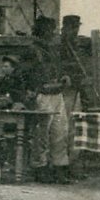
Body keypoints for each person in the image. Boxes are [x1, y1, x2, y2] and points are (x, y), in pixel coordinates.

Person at [26, 16, 70, 184]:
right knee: (41, 134)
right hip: (43, 96)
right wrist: (36, 89)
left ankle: (59, 167)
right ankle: (40, 168)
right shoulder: (32, 50)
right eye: (50, 30)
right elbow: (26, 74)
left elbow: (58, 69)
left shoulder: (52, 50)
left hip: (57, 95)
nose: (53, 33)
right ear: (42, 31)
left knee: (60, 132)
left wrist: (63, 76)